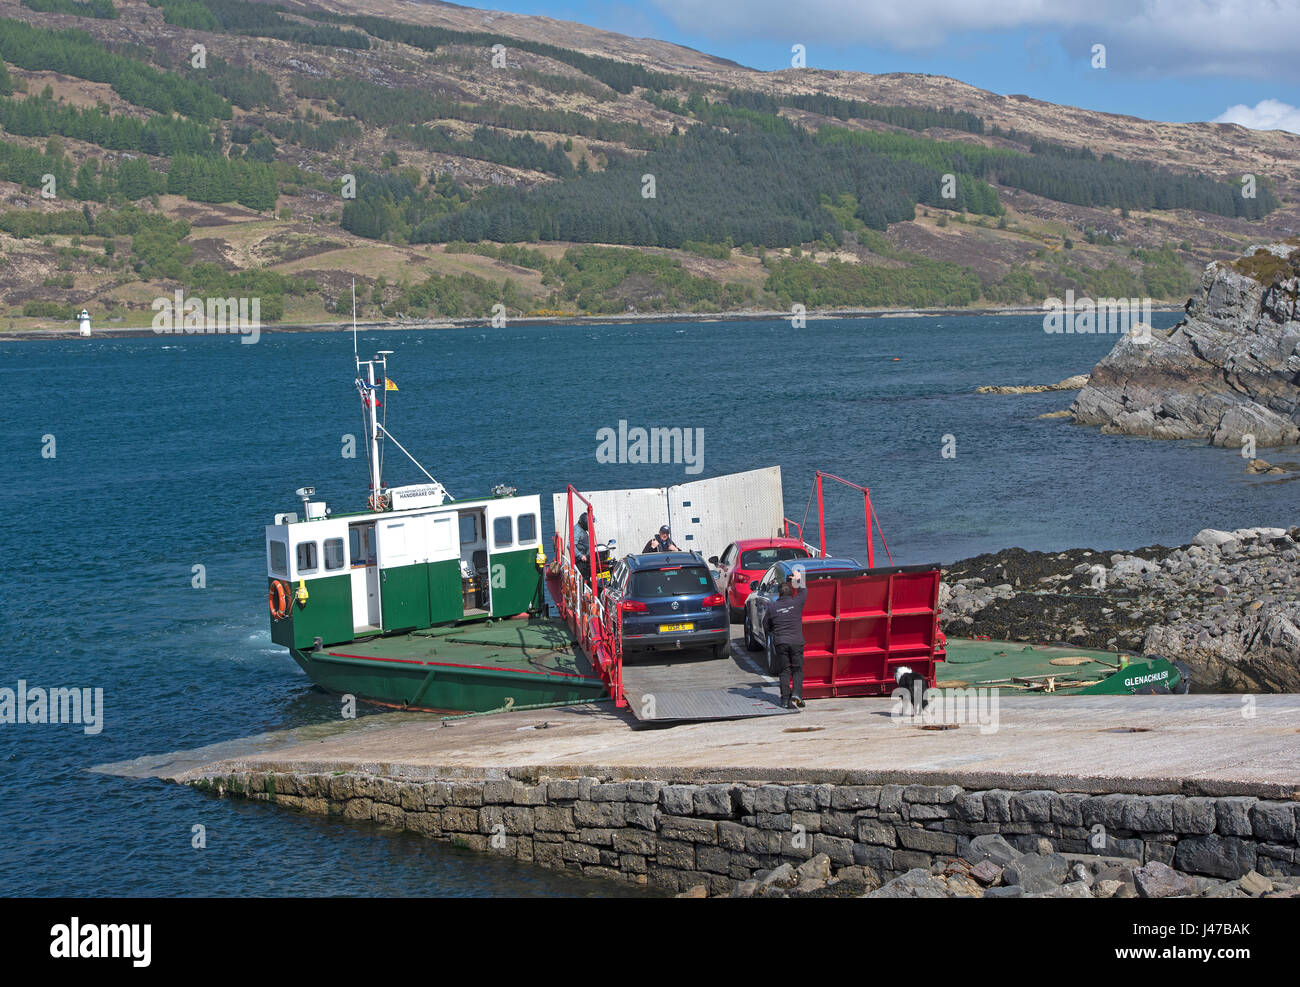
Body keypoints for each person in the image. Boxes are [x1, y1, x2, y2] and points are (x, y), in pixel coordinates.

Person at [763, 569, 807, 710]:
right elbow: (803, 592)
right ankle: (796, 694)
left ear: (779, 593)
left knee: (784, 671)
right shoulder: (796, 603)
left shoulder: (772, 607)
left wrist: (773, 632)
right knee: (798, 670)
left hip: (781, 642)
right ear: (790, 592)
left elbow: (766, 624)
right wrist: (799, 579)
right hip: (796, 642)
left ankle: (784, 701)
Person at [572, 512, 591, 578]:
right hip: (581, 562)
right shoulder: (577, 530)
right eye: (588, 524)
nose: (590, 526)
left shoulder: (581, 529)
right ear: (584, 523)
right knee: (585, 579)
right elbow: (570, 545)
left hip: (585, 559)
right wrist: (581, 556)